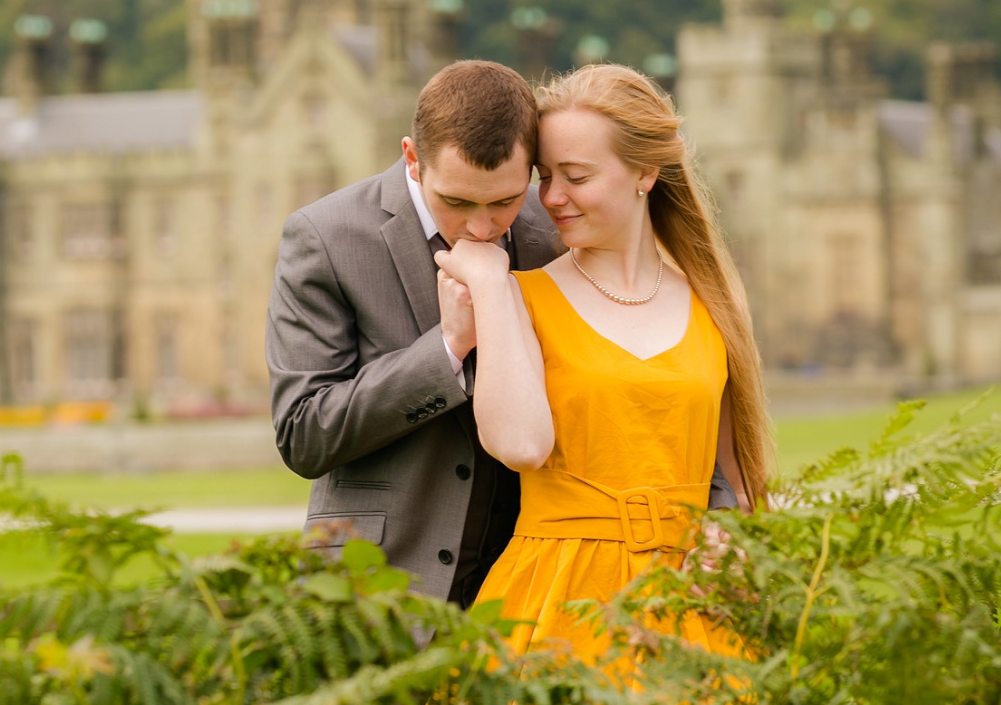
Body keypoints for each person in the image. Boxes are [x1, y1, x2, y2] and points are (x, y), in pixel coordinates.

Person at [435, 62, 770, 664]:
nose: (551, 198)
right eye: (546, 177)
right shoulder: (520, 296)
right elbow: (519, 444)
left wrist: (733, 533)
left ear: (646, 172)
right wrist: (488, 281)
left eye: (577, 176)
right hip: (556, 598)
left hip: (694, 603)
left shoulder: (713, 301)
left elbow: (736, 479)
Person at [267, 60, 559, 607]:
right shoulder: (324, 238)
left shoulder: (556, 233)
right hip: (376, 588)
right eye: (457, 202)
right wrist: (446, 347)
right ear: (411, 157)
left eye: (504, 201)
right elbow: (304, 434)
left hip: (530, 589)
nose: (481, 227)